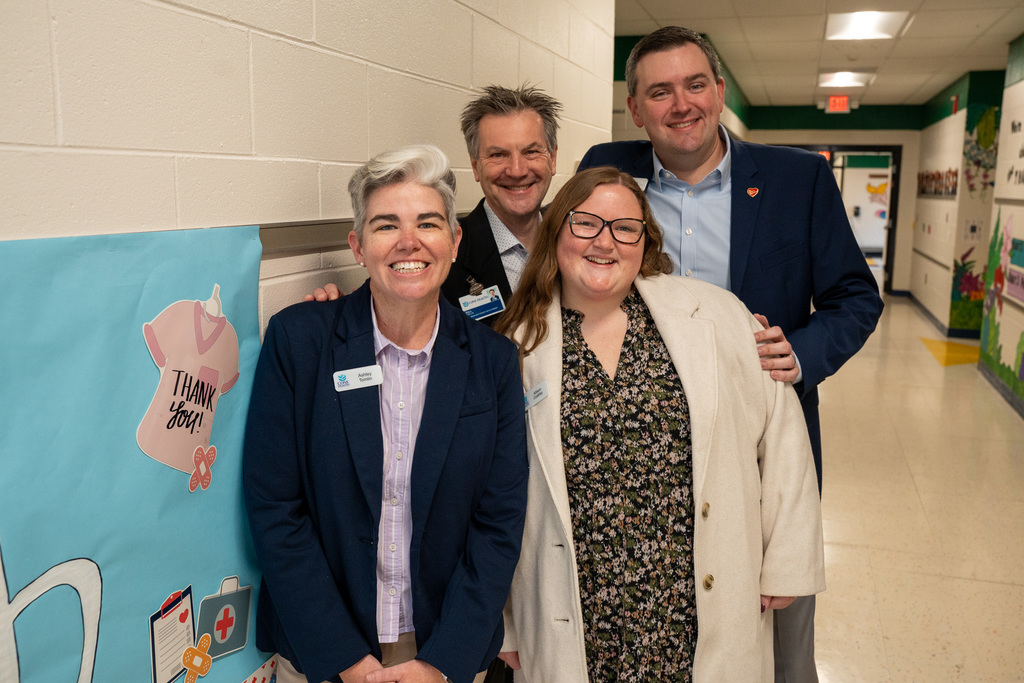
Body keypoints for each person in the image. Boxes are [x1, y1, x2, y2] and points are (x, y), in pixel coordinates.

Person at [577, 26, 884, 680]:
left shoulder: (797, 179)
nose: (680, 103)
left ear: (719, 91)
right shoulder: (606, 169)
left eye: (695, 84)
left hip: (761, 442)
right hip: (642, 455)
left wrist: (797, 355)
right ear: (635, 108)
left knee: (778, 627)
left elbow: (856, 296)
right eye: (659, 91)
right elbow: (549, 260)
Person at [493, 166, 824, 682]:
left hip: (693, 597)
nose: (605, 241)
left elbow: (781, 435)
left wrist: (786, 558)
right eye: (585, 224)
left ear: (644, 242)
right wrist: (508, 623)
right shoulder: (511, 344)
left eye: (626, 227)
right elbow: (493, 496)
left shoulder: (717, 316)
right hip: (578, 606)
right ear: (557, 231)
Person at [243, 144, 528, 683]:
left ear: (455, 239)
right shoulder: (299, 343)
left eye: (427, 222)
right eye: (385, 225)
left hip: (445, 651)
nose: (409, 242)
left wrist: (442, 664)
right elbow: (276, 509)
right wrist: (346, 662)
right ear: (357, 245)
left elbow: (498, 523)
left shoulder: (492, 362)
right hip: (324, 654)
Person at [308, 85, 562, 329]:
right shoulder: (436, 254)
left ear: (552, 159)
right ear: (475, 166)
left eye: (531, 152)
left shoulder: (576, 244)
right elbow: (383, 308)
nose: (516, 170)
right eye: (498, 155)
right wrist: (340, 312)